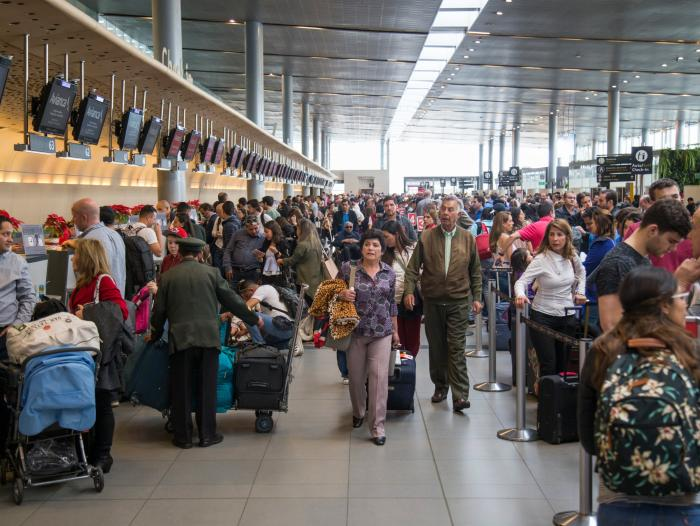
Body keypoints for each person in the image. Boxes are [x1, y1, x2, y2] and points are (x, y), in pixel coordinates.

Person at [578, 267, 700, 525]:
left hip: (617, 498)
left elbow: (588, 435)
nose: (684, 305)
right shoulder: (690, 352)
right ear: (665, 306)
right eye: (681, 298)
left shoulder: (603, 349)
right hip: (684, 500)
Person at [150, 237, 262, 449]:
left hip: (180, 339)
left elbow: (159, 312)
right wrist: (254, 319)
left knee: (181, 387)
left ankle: (183, 437)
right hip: (208, 338)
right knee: (206, 387)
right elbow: (232, 300)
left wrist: (154, 335)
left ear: (180, 253)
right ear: (200, 254)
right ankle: (207, 434)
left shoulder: (167, 277)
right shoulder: (212, 274)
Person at [403, 196, 482, 412]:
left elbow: (475, 271)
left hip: (458, 302)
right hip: (433, 302)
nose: (446, 213)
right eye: (443, 209)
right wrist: (409, 290)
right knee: (437, 348)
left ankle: (460, 395)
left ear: (458, 213)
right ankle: (440, 386)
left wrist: (477, 297)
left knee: (456, 349)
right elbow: (412, 269)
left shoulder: (467, 238)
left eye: (450, 209)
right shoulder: (427, 237)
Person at [68, 238, 130, 474]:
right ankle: (89, 452)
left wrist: (88, 313)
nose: (72, 259)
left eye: (75, 255)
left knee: (102, 402)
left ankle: (103, 454)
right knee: (91, 401)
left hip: (101, 355)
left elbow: (120, 311)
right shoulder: (82, 283)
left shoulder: (103, 281)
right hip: (86, 351)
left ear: (85, 258)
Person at [594, 199, 698, 332]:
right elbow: (613, 326)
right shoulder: (617, 263)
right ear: (653, 230)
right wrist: (678, 284)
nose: (673, 249)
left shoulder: (641, 259)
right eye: (671, 241)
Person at [336, 230, 399, 446]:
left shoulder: (389, 273)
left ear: (382, 250)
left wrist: (396, 331)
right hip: (355, 331)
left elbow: (392, 304)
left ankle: (377, 426)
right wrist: (342, 294)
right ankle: (359, 410)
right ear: (361, 248)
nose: (371, 249)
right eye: (367, 245)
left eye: (375, 245)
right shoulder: (348, 269)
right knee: (355, 379)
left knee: (379, 378)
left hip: (382, 332)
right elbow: (332, 292)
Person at [514, 219, 587, 379]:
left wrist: (580, 292)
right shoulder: (541, 259)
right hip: (542, 317)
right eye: (552, 235)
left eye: (559, 235)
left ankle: (558, 402)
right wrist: (521, 295)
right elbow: (521, 282)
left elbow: (582, 272)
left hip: (567, 317)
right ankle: (547, 403)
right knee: (548, 364)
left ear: (567, 237)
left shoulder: (571, 255)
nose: (555, 239)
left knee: (563, 366)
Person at [68, 198, 126, 296]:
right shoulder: (116, 235)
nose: (73, 220)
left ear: (84, 217)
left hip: (96, 305)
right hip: (117, 301)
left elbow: (85, 279)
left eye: (74, 216)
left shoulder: (88, 242)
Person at [381, 221, 420, 356]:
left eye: (387, 237)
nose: (384, 241)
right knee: (397, 340)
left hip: (411, 300)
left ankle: (409, 366)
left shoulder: (414, 249)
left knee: (412, 341)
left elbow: (420, 271)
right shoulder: (384, 254)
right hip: (392, 304)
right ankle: (398, 370)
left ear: (396, 234)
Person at [0, 216, 36, 360]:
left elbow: (28, 297)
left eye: (11, 234)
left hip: (4, 331)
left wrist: (17, 326)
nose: (10, 239)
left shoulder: (18, 262)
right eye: (5, 234)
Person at [582, 210, 615, 330]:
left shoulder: (602, 243)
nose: (587, 227)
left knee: (590, 329)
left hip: (594, 296)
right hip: (598, 294)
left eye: (590, 224)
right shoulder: (606, 241)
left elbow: (587, 267)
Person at [278, 219, 324, 302]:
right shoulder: (317, 243)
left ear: (301, 229)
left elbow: (292, 261)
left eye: (297, 228)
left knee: (304, 304)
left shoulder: (302, 245)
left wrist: (281, 260)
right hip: (315, 278)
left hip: (304, 280)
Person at [237, 280, 294, 347]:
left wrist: (229, 313)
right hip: (289, 330)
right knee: (269, 346)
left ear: (251, 290)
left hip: (283, 326)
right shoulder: (269, 289)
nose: (245, 298)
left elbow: (245, 308)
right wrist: (245, 331)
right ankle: (289, 343)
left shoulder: (262, 289)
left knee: (246, 313)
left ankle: (258, 344)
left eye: (245, 295)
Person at [223, 215, 265, 284]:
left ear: (259, 225)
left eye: (256, 228)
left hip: (253, 272)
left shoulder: (263, 238)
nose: (254, 231)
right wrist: (228, 267)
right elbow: (228, 250)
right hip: (235, 271)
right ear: (246, 227)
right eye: (251, 229)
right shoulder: (238, 234)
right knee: (232, 291)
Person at [257, 220, 289, 287]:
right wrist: (260, 258)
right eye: (264, 231)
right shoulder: (266, 241)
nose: (265, 234)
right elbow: (263, 257)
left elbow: (287, 260)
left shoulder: (282, 242)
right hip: (266, 275)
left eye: (266, 231)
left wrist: (276, 252)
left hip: (279, 277)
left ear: (274, 231)